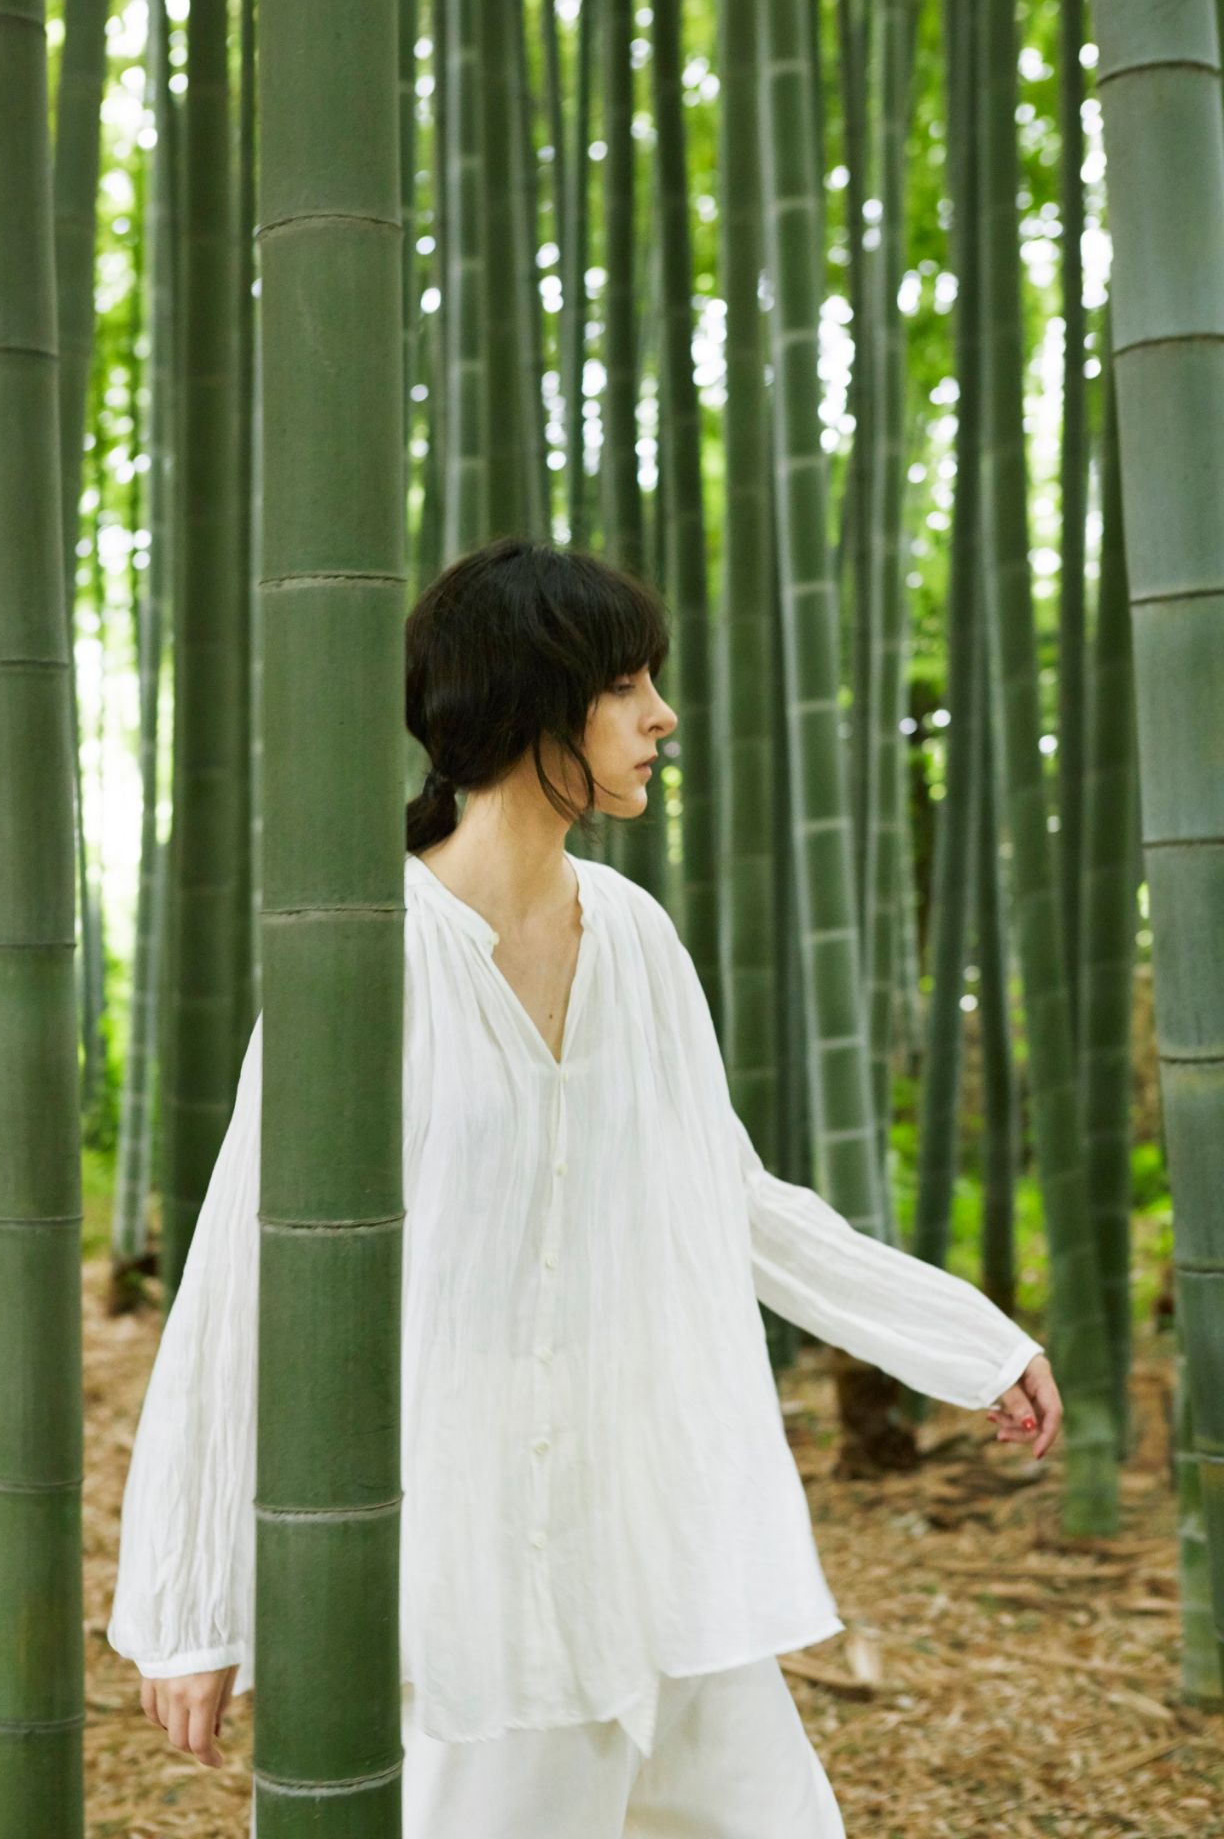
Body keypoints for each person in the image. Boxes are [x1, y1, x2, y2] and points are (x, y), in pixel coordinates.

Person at [107, 537, 1062, 1837]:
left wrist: (964, 1338)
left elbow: (730, 1198)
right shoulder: (369, 959)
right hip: (477, 1580)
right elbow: (242, 1283)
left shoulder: (638, 938)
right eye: (626, 685)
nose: (663, 716)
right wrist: (191, 1608)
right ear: (528, 701)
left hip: (656, 1535)